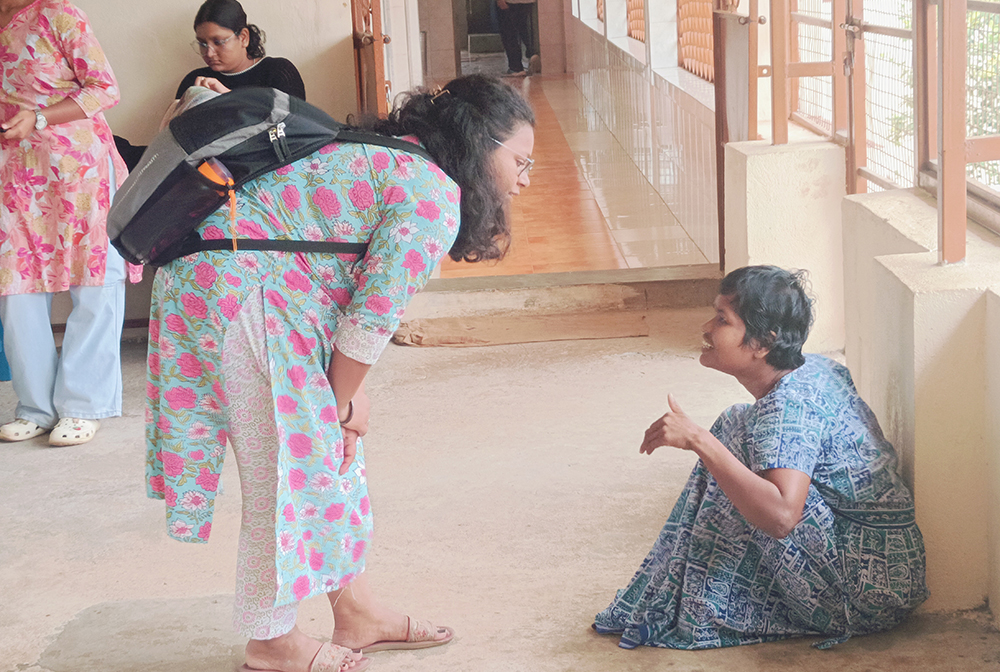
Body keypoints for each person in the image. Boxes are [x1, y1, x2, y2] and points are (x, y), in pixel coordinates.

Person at [143, 75, 535, 672]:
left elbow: (343, 297)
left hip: (242, 288)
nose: (524, 180)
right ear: (481, 144)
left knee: (327, 461)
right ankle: (271, 642)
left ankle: (357, 612)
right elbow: (370, 320)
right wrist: (345, 404)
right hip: (239, 294)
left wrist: (344, 403)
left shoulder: (389, 155)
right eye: (521, 161)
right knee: (287, 475)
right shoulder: (430, 193)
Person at [594, 265, 928, 650]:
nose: (706, 327)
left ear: (763, 343)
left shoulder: (787, 408)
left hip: (866, 591)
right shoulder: (817, 368)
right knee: (737, 424)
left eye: (722, 319)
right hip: (891, 570)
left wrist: (700, 441)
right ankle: (682, 593)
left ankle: (698, 606)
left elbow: (783, 517)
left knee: (728, 444)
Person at [0, 0, 137, 446]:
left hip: (79, 167)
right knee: (16, 286)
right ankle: (36, 407)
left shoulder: (58, 14)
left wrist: (39, 117)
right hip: (15, 171)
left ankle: (84, 404)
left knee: (93, 280)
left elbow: (104, 89)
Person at [114, 0, 305, 171]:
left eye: (218, 42)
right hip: (203, 170)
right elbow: (177, 142)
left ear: (244, 37)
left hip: (258, 166)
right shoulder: (196, 79)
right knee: (113, 148)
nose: (210, 52)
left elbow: (296, 131)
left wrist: (228, 98)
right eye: (202, 43)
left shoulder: (277, 71)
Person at [497, 0, 540, 77]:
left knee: (509, 33)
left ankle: (516, 67)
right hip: (530, 2)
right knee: (528, 31)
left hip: (509, 2)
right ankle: (533, 56)